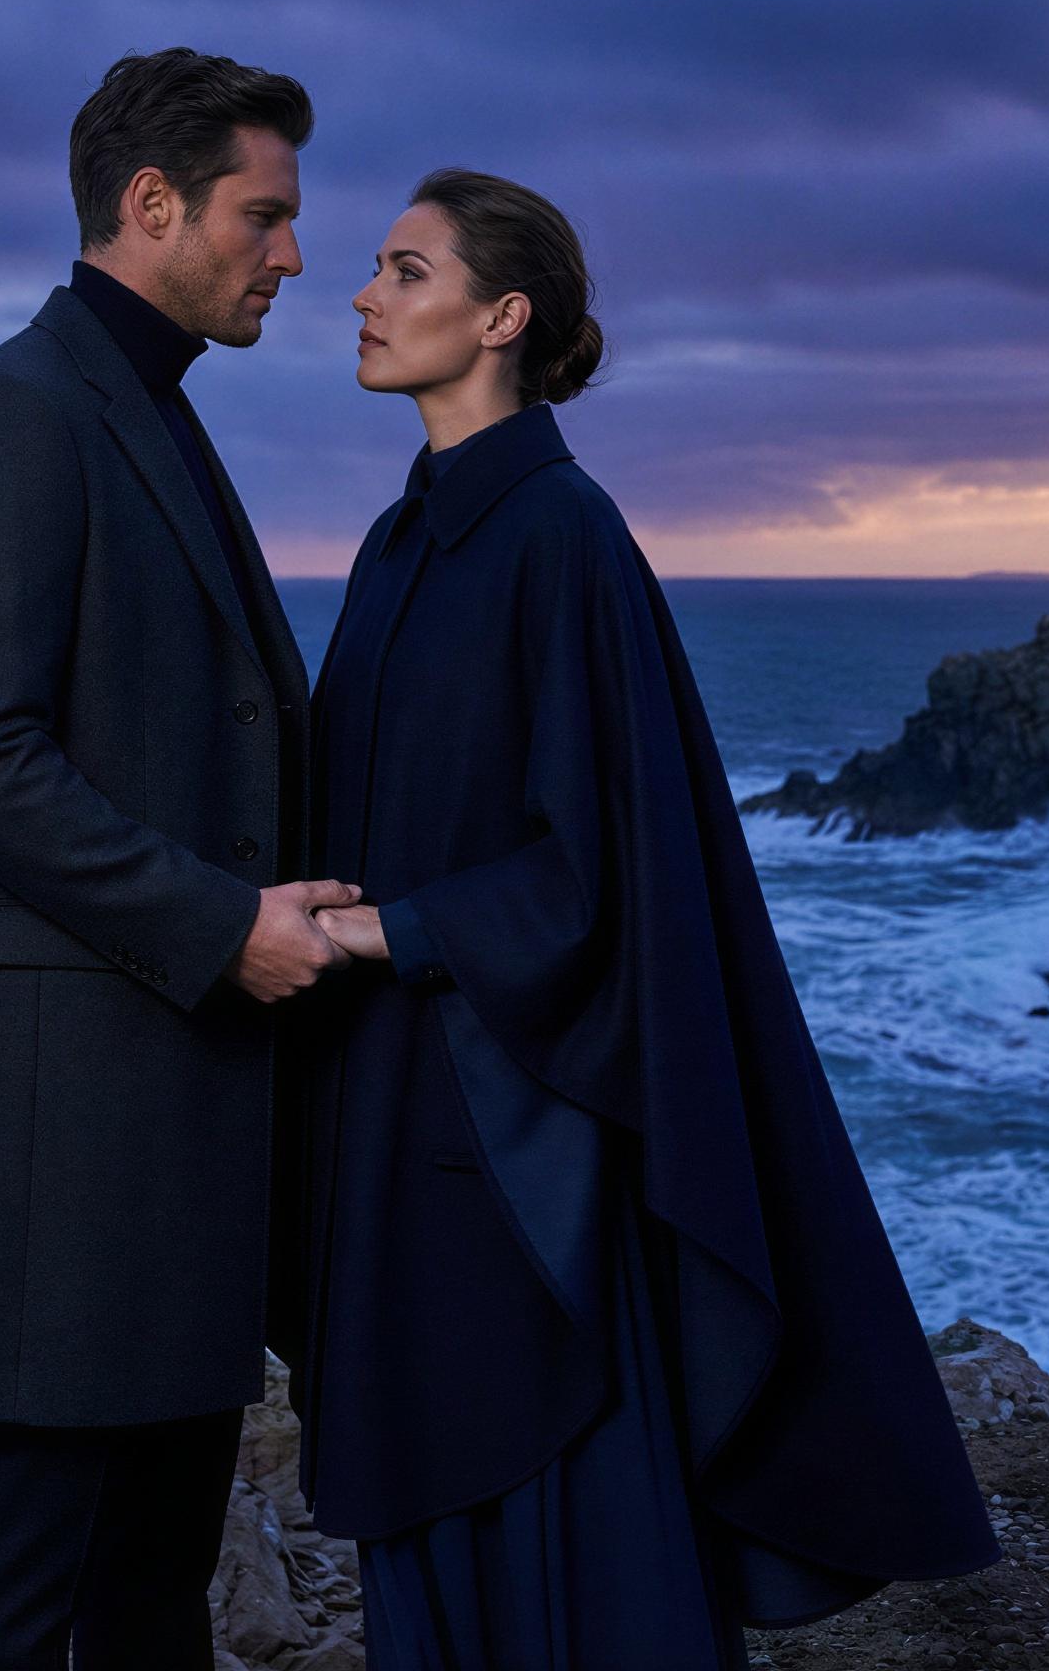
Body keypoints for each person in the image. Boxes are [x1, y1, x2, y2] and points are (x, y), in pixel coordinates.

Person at [293, 168, 1000, 1669]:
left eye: (405, 270)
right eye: (376, 267)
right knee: (425, 1462)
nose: (361, 293)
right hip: (398, 1094)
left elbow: (606, 864)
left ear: (502, 316)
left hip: (524, 1115)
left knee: (549, 1476)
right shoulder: (400, 540)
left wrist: (385, 933)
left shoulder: (564, 534)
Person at [0, 47, 362, 1671]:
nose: (293, 255)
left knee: (152, 1573)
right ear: (152, 204)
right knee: (28, 1568)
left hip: (168, 1107)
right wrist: (224, 925)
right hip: (69, 1131)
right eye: (263, 216)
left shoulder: (143, 404)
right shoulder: (15, 413)